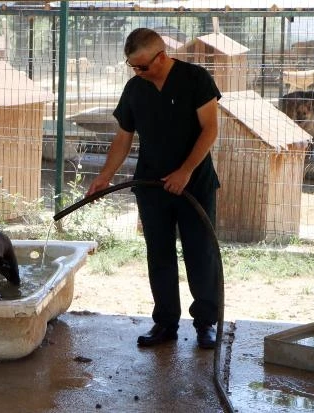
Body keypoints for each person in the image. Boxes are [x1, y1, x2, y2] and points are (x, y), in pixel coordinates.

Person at [87, 28, 221, 350]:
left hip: (194, 185)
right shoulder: (135, 89)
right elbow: (123, 138)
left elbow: (211, 129)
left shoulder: (195, 79)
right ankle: (165, 323)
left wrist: (185, 171)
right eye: (132, 67)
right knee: (159, 254)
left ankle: (206, 323)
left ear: (161, 56)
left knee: (199, 252)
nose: (138, 72)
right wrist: (105, 176)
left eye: (143, 66)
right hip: (151, 186)